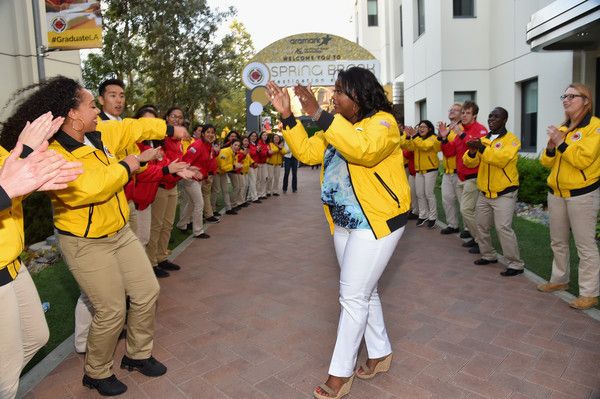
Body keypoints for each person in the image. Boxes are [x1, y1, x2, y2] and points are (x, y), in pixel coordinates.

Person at [1, 76, 188, 396]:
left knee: (146, 291)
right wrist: (129, 165)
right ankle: (96, 372)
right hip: (85, 243)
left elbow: (134, 128)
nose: (97, 111)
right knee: (112, 309)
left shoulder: (100, 132)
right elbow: (88, 188)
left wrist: (170, 130)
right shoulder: (54, 152)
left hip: (119, 233)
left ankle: (138, 354)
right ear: (73, 114)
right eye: (91, 105)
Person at [266, 66, 410, 399]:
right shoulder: (337, 127)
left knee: (352, 297)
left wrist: (320, 115)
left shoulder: (384, 124)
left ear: (359, 95)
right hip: (343, 222)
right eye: (334, 91)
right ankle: (380, 352)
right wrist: (288, 117)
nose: (333, 97)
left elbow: (364, 150)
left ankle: (340, 374)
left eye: (340, 91)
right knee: (363, 291)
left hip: (376, 223)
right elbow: (308, 153)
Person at [0, 113, 82, 399]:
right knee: (6, 380)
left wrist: (26, 158)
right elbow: (5, 190)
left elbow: (10, 191)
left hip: (13, 263)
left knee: (37, 337)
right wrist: (5, 190)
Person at [538, 83, 600, 310]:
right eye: (564, 96)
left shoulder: (595, 127)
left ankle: (590, 293)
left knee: (585, 245)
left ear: (586, 100)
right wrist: (551, 147)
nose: (566, 100)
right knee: (558, 241)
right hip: (556, 194)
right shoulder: (563, 127)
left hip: (582, 195)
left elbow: (583, 159)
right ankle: (560, 280)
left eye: (572, 96)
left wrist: (561, 143)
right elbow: (546, 162)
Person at [462, 107, 525, 277]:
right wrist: (473, 151)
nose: (491, 119)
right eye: (490, 116)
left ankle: (515, 264)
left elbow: (501, 159)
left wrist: (481, 148)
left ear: (504, 120)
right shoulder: (484, 139)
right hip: (484, 192)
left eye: (496, 116)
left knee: (503, 228)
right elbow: (469, 162)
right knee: (481, 226)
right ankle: (488, 255)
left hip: (504, 193)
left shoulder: (512, 140)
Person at [439, 101, 488, 253]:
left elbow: (476, 146)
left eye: (467, 113)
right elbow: (449, 152)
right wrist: (445, 138)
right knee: (467, 210)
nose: (464, 115)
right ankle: (477, 239)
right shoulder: (461, 131)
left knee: (467, 210)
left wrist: (461, 133)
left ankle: (481, 241)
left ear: (474, 115)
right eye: (463, 113)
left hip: (473, 177)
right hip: (461, 176)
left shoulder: (480, 130)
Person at [404, 120, 440, 228]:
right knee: (420, 194)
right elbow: (408, 147)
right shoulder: (417, 139)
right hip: (419, 171)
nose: (421, 128)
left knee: (429, 194)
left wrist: (415, 136)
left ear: (430, 129)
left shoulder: (433, 138)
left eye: (424, 127)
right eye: (420, 127)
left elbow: (425, 146)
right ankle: (423, 215)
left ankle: (433, 217)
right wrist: (407, 136)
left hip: (430, 170)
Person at [438, 103, 463, 235]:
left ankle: (470, 230)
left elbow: (452, 151)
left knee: (464, 204)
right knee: (447, 200)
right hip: (447, 171)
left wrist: (445, 138)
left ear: (462, 113)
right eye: (450, 109)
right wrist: (440, 137)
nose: (452, 111)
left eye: (455, 110)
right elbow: (439, 148)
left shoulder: (461, 128)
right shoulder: (446, 128)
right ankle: (453, 225)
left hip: (459, 172)